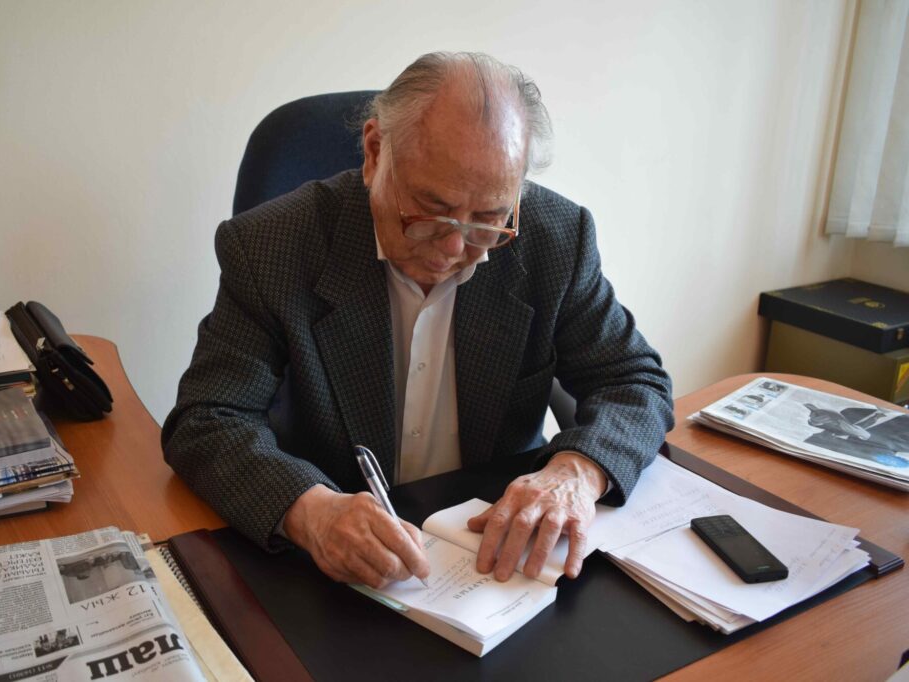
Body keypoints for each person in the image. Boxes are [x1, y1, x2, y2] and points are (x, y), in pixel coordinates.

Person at [163, 52, 673, 590]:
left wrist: (576, 471)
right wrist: (309, 511)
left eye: (489, 219)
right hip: (336, 557)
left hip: (499, 550)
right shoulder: (272, 245)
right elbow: (207, 419)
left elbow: (634, 380)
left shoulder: (556, 238)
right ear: (374, 153)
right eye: (431, 210)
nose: (454, 247)